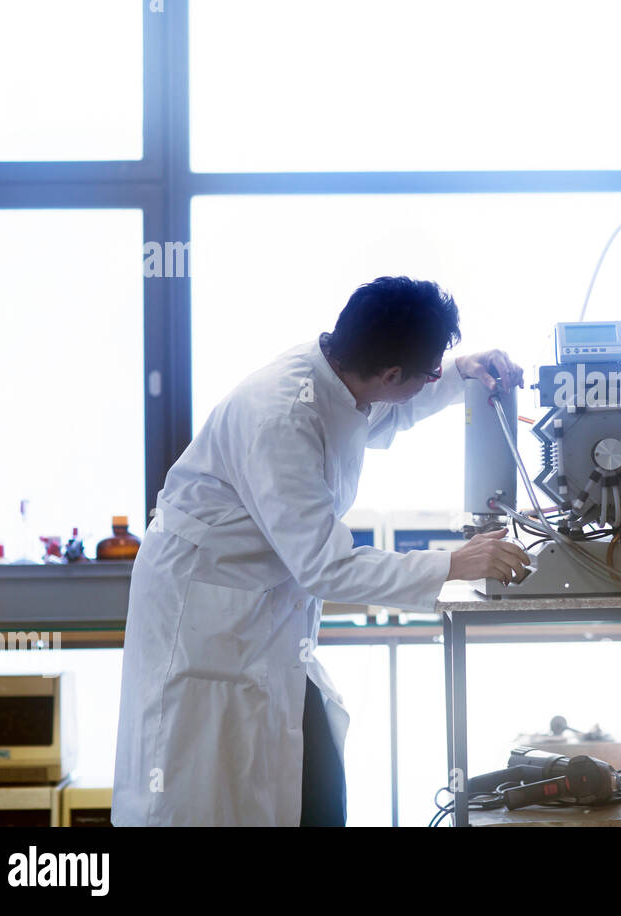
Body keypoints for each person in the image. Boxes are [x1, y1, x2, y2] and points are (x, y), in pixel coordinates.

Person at [112, 276, 532, 826]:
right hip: (204, 626)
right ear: (390, 372)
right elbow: (326, 566)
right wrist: (456, 563)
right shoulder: (282, 416)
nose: (430, 379)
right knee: (203, 794)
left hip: (259, 613)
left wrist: (459, 371)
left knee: (304, 771)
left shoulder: (337, 379)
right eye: (428, 371)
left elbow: (391, 410)